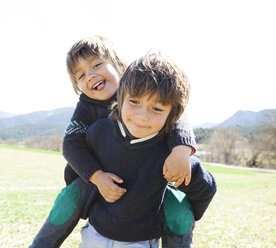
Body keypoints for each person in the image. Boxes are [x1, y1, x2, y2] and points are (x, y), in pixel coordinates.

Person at [29, 36, 197, 248]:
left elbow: (175, 110)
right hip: (94, 177)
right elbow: (71, 144)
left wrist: (181, 149)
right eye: (80, 75)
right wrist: (97, 177)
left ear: (118, 65)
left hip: (146, 181)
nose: (90, 76)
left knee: (178, 210)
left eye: (97, 65)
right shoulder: (86, 107)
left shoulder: (139, 87)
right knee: (67, 200)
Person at [79, 52, 217, 247]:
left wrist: (183, 212)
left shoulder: (172, 153)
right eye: (134, 101)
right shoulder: (98, 132)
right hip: (94, 235)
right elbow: (76, 171)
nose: (142, 116)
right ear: (120, 97)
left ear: (173, 114)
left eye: (157, 109)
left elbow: (206, 189)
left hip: (141, 241)